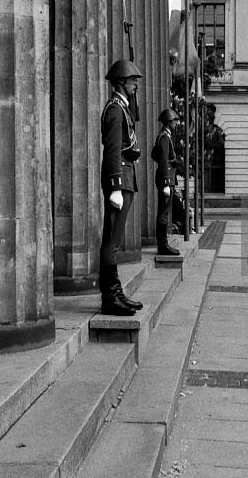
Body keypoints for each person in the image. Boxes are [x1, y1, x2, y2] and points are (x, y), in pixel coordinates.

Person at [99, 59, 144, 316]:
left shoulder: (122, 107)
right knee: (112, 241)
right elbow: (113, 150)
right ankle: (110, 296)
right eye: (132, 80)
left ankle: (114, 292)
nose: (135, 84)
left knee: (112, 239)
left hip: (126, 174)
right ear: (120, 82)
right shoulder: (115, 110)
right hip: (120, 177)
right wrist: (115, 186)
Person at [151, 108, 182, 256]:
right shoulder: (164, 137)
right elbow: (162, 160)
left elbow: (154, 154)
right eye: (174, 121)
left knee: (165, 212)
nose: (176, 123)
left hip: (167, 177)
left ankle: (164, 244)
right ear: (168, 122)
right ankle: (162, 245)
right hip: (166, 179)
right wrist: (165, 182)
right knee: (163, 213)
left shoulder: (165, 136)